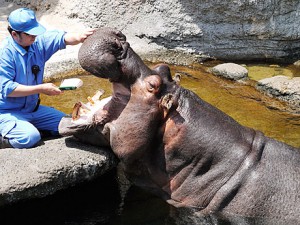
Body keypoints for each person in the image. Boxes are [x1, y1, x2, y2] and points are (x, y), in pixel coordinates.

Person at [0, 7, 94, 149]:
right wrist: (41, 89)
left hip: (33, 110)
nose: (34, 36)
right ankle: (5, 138)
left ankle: (35, 127)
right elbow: (8, 89)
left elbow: (60, 38)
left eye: (35, 32)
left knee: (70, 126)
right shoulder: (5, 54)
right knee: (30, 137)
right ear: (15, 34)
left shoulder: (36, 44)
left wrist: (79, 37)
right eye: (30, 33)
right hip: (8, 112)